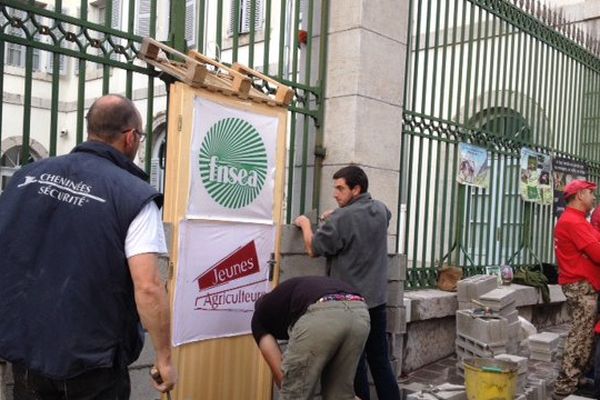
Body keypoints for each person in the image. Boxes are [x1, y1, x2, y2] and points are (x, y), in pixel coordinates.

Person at [0, 94, 176, 399]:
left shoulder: (25, 177)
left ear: (90, 129)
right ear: (131, 137)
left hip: (27, 352)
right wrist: (164, 357)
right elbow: (148, 286)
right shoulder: (134, 196)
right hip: (93, 365)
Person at [294, 165, 400, 400]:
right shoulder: (381, 210)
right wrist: (339, 215)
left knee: (355, 366)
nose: (335, 193)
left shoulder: (342, 218)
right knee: (380, 362)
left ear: (356, 189)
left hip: (350, 307)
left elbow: (313, 249)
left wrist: (304, 224)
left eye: (340, 188)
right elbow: (379, 217)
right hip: (377, 302)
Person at [251, 276, 370, 400]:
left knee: (294, 393)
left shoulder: (259, 319)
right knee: (341, 395)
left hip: (323, 310)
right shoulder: (290, 294)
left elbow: (281, 375)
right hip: (359, 311)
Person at [553, 179, 600, 399]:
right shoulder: (574, 222)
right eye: (591, 193)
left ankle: (577, 376)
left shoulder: (580, 220)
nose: (593, 197)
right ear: (580, 195)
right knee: (580, 335)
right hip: (581, 285)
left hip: (584, 284)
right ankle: (565, 384)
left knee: (587, 334)